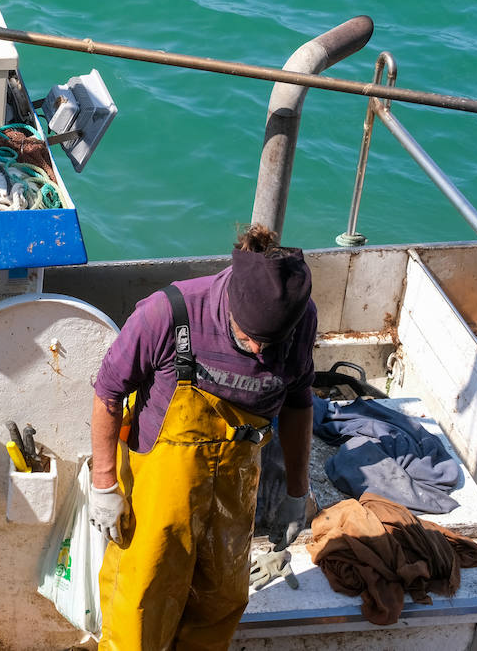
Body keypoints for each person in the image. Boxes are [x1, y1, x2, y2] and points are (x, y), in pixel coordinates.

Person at [88, 224, 317, 650]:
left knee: (222, 597)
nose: (260, 352)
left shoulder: (300, 323)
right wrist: (104, 483)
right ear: (230, 303)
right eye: (250, 339)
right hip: (161, 486)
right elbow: (108, 391)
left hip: (235, 480)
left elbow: (300, 402)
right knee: (144, 597)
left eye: (272, 343)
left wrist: (296, 492)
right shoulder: (167, 313)